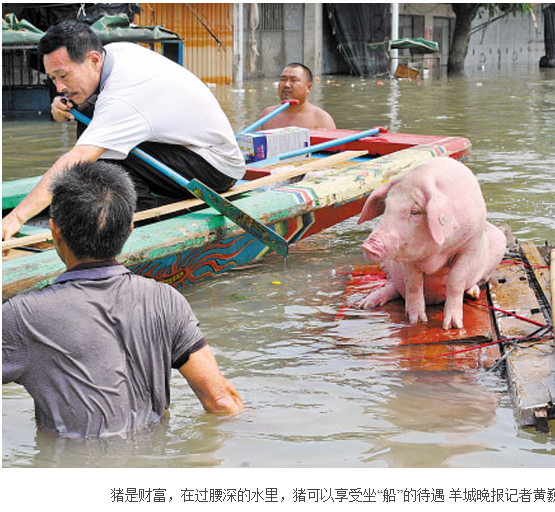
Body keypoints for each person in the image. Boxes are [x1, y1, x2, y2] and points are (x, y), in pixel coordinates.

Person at [2, 161, 243, 437]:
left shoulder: (22, 316)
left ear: (55, 230)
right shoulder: (166, 300)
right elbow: (223, 402)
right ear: (129, 229)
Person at [2, 19, 246, 241]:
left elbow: (77, 159)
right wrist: (63, 103)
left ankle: (143, 220)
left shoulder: (124, 96)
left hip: (215, 168)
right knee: (90, 127)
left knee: (95, 159)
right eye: (53, 78)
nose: (59, 86)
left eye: (63, 75)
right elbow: (89, 102)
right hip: (186, 149)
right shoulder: (115, 53)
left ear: (94, 60)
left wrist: (17, 217)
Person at [257, 62, 336, 130]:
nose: (287, 85)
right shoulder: (267, 115)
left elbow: (334, 147)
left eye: (294, 80)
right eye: (283, 79)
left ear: (308, 87)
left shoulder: (321, 119)